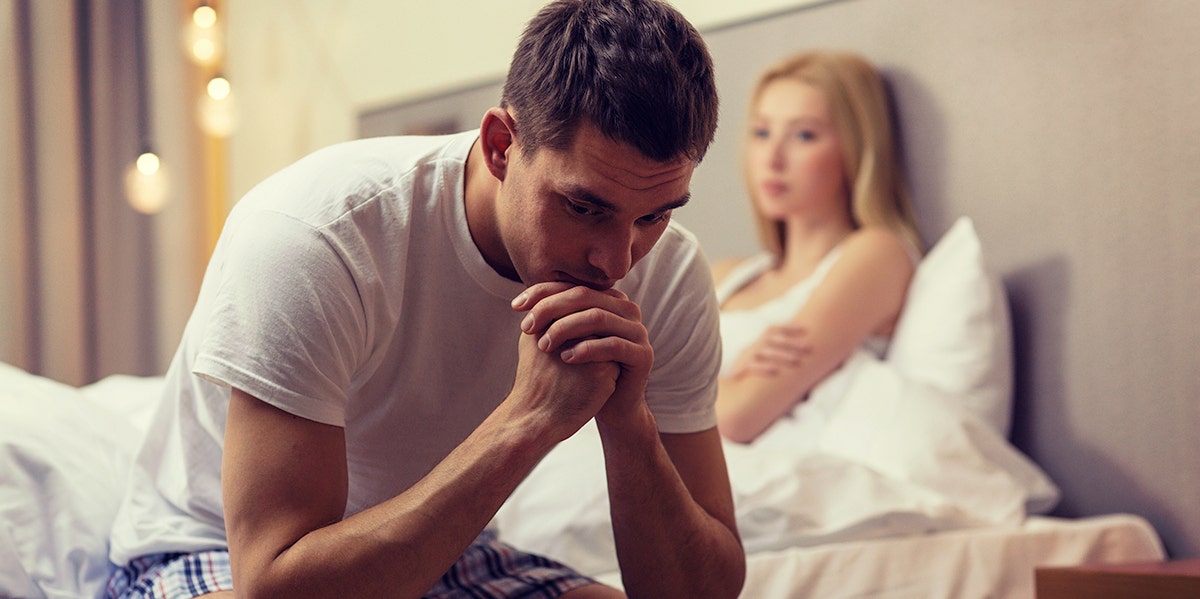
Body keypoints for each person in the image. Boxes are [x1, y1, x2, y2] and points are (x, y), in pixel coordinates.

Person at [104, 1, 746, 597]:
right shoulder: (318, 236)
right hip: (219, 549)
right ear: (501, 146)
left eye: (654, 215)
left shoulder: (671, 274)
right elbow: (274, 583)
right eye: (583, 207)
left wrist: (628, 423)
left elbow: (702, 590)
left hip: (450, 546)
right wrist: (528, 421)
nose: (617, 259)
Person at [712, 50, 924, 444]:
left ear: (855, 149)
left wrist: (693, 383)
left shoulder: (876, 255)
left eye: (803, 135)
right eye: (762, 132)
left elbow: (738, 417)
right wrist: (725, 381)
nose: (772, 158)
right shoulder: (723, 276)